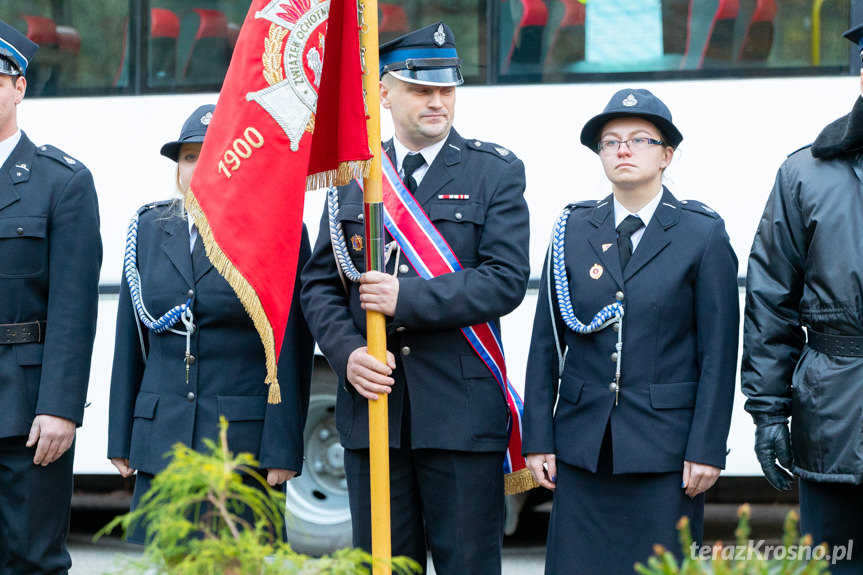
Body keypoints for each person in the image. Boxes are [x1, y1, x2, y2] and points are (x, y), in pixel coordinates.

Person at [300, 21, 530, 574]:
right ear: (383, 91)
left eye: (446, 89)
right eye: (421, 88)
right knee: (382, 565)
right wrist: (347, 352)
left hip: (458, 412)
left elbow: (505, 279)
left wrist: (408, 297)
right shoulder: (354, 175)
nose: (437, 102)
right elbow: (320, 284)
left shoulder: (492, 171)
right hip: (374, 409)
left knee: (467, 565)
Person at [522, 89, 739, 573]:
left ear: (667, 154)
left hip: (665, 452)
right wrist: (538, 438)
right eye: (610, 141)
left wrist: (706, 448)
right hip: (582, 448)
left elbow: (719, 355)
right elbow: (546, 345)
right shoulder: (572, 229)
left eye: (640, 139)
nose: (623, 149)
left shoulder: (701, 234)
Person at [107, 104, 313, 544]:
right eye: (188, 156)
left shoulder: (279, 232)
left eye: (212, 152)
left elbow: (291, 349)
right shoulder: (147, 228)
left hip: (240, 443)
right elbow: (131, 340)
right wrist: (121, 437)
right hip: (162, 438)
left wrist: (283, 448)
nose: (198, 166)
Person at [740, 23, 863, 575]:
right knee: (839, 564)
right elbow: (770, 299)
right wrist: (769, 414)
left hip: (832, 406)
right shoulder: (806, 172)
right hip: (836, 413)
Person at [0, 19, 102, 575]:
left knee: (31, 560)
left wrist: (60, 406)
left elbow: (73, 307)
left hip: (24, 410)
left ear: (20, 87)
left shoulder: (61, 182)